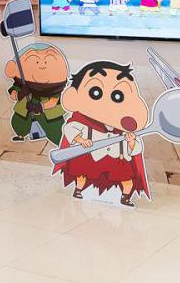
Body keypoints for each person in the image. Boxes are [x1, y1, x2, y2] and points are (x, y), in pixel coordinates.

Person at [54, 61, 150, 207]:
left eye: (118, 96)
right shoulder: (84, 122)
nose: (107, 103)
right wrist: (81, 140)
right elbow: (70, 129)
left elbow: (136, 149)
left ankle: (125, 197)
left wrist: (131, 142)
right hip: (91, 154)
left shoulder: (123, 129)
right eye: (96, 92)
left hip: (117, 157)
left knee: (127, 179)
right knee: (82, 173)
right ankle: (78, 190)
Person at [5, 43, 69, 145]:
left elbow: (53, 101)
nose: (42, 66)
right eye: (37, 61)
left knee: (55, 128)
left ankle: (61, 142)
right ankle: (21, 134)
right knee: (19, 121)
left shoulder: (54, 88)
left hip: (48, 113)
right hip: (25, 109)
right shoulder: (21, 83)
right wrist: (20, 94)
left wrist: (40, 107)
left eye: (47, 61)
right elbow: (13, 95)